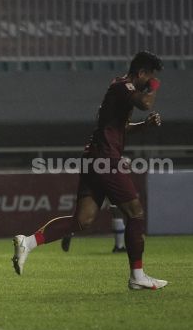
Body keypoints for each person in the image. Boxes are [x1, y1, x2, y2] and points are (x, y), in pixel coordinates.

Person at [12, 51, 168, 290]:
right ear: (141, 73)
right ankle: (137, 276)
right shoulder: (124, 87)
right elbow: (146, 103)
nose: (150, 83)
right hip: (105, 158)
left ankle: (28, 242)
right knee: (135, 213)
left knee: (83, 221)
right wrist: (155, 85)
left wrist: (144, 126)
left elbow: (121, 127)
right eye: (149, 78)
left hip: (94, 157)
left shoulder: (118, 89)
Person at [61, 199, 127, 253]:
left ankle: (71, 229)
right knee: (117, 211)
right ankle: (119, 246)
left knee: (86, 209)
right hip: (110, 184)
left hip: (95, 184)